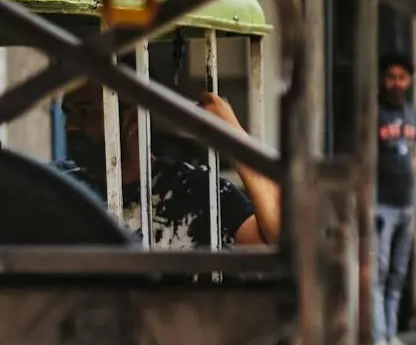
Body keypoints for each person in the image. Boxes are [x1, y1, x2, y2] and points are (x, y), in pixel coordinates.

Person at [57, 81, 279, 249]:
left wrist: (234, 136)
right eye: (68, 113)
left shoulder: (197, 192)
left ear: (134, 120)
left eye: (86, 112)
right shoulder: (58, 187)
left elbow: (279, 243)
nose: (71, 126)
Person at [374, 52, 416, 345]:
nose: (396, 83)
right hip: (381, 207)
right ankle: (378, 340)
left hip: (406, 206)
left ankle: (392, 334)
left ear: (409, 80)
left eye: (402, 77)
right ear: (382, 79)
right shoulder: (373, 114)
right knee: (379, 273)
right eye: (391, 76)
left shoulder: (413, 115)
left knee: (398, 274)